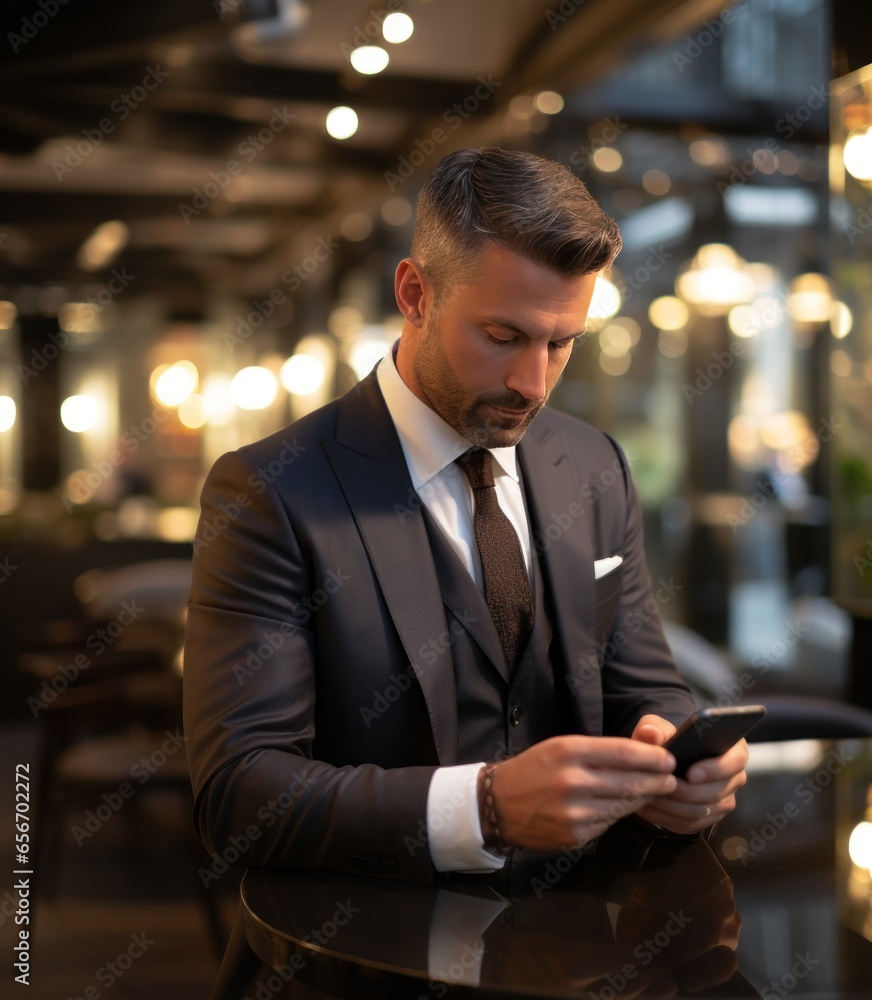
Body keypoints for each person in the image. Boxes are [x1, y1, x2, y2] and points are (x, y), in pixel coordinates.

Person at [183, 147, 749, 996]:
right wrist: (481, 807)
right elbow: (239, 794)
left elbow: (646, 686)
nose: (533, 382)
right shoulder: (270, 492)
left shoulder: (594, 466)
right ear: (415, 294)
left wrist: (681, 761)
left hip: (576, 957)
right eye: (503, 337)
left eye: (564, 344)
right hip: (353, 964)